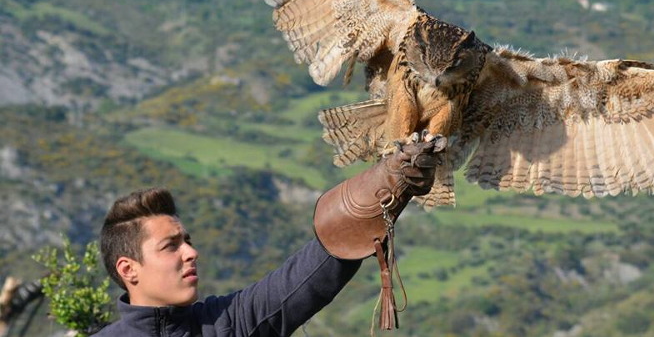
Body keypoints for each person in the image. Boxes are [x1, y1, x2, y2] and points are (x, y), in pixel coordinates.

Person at [94, 135, 443, 336]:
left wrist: (383, 194)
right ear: (128, 269)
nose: (191, 253)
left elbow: (303, 281)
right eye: (171, 246)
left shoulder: (225, 324)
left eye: (187, 240)